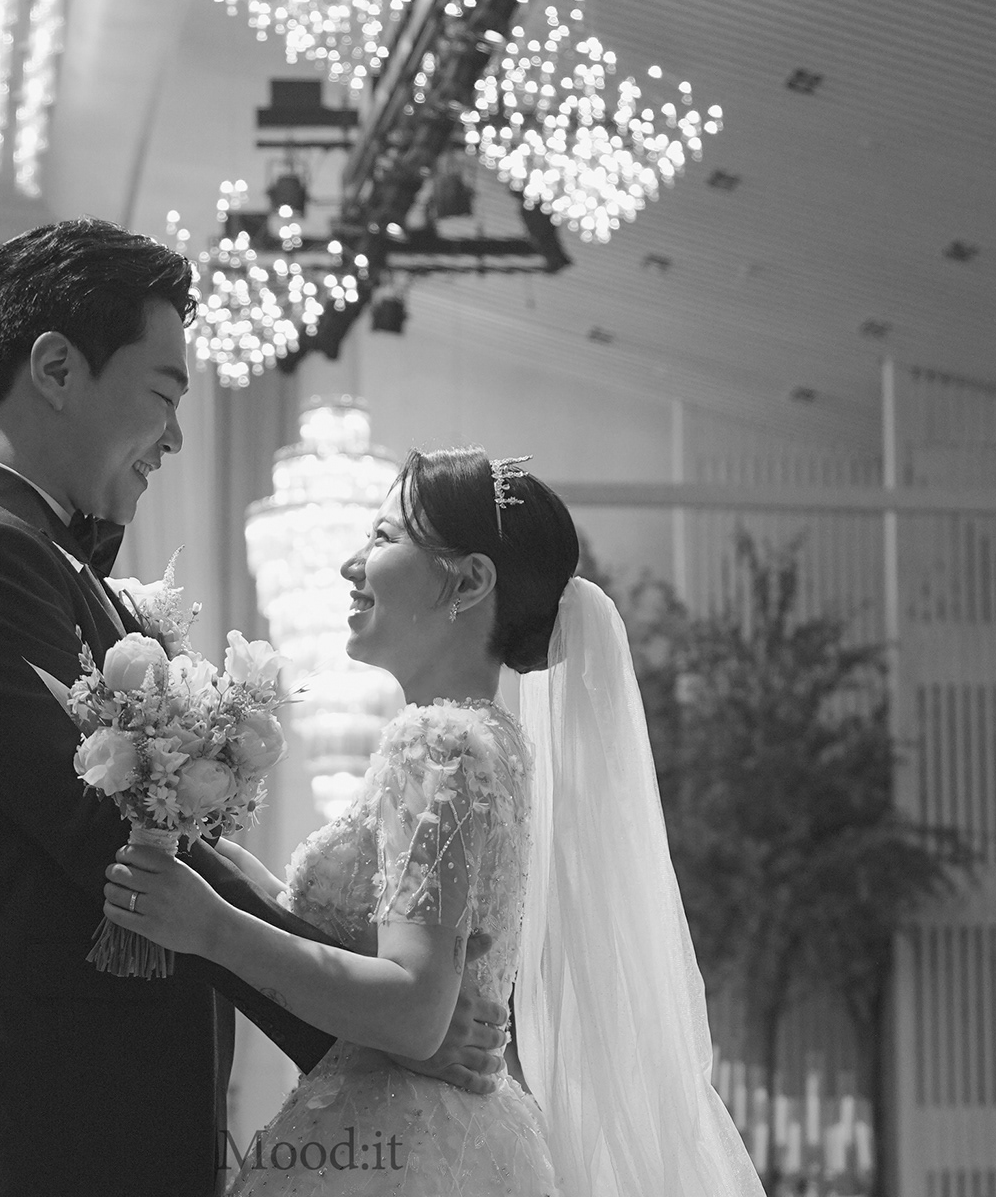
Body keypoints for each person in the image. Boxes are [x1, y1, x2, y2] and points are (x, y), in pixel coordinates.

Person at [0, 219, 511, 1197]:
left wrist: (385, 1003)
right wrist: (380, 1023)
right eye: (165, 394)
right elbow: (109, 835)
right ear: (56, 367)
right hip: (42, 1127)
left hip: (104, 1124)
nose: (175, 436)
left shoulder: (51, 563)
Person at [106, 448, 766, 1195]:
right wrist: (210, 849)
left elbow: (415, 1012)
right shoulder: (491, 740)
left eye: (384, 538)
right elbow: (386, 958)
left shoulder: (439, 744)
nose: (352, 564)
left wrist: (213, 930)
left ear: (470, 581)